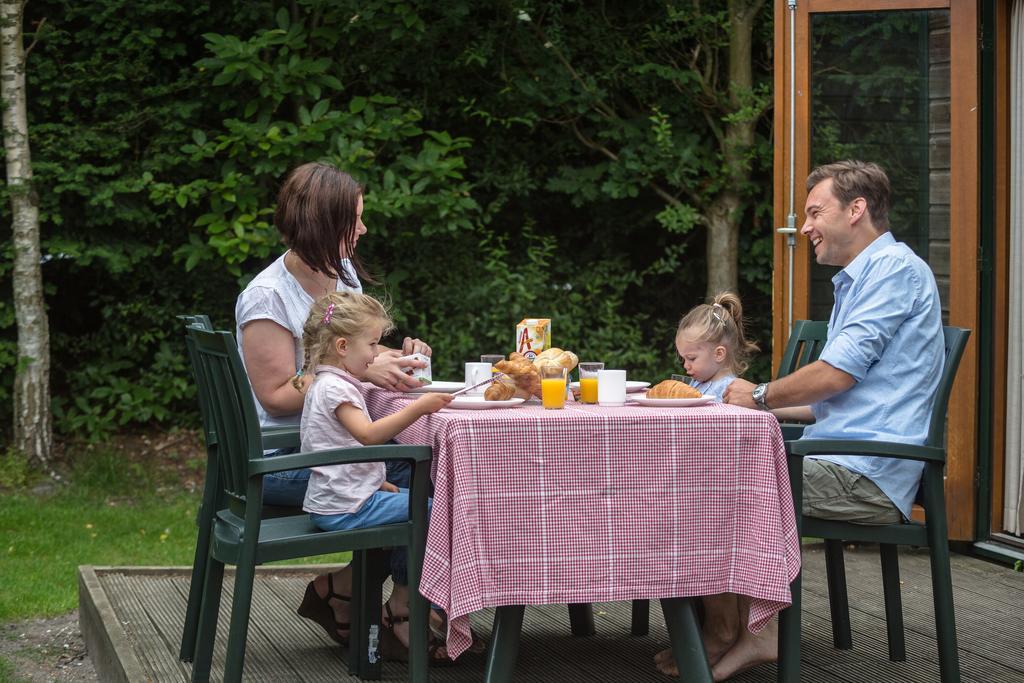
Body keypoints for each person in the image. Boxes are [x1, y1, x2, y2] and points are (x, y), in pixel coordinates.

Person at [655, 160, 944, 679]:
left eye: (815, 212)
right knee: (681, 470)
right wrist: (734, 402)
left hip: (865, 473)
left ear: (856, 210)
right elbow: (830, 404)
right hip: (834, 452)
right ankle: (732, 624)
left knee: (700, 481)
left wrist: (761, 394)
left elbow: (835, 376)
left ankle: (746, 631)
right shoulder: (856, 282)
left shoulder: (895, 271)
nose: (804, 226)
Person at [233, 162, 431, 650]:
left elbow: (350, 349)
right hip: (280, 458)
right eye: (354, 220)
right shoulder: (267, 298)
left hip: (329, 439)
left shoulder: (339, 277)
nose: (363, 229)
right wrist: (358, 371)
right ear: (323, 224)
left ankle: (344, 590)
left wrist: (394, 355)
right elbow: (277, 398)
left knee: (423, 467)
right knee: (416, 476)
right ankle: (401, 606)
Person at [293, 291, 455, 661]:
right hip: (343, 507)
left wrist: (372, 479)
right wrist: (421, 407)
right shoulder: (336, 388)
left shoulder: (330, 381)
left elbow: (337, 448)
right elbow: (368, 435)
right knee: (432, 510)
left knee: (413, 497)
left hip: (341, 497)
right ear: (342, 345)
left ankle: (405, 604)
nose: (377, 353)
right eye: (373, 344)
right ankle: (405, 606)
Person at [674, 292, 759, 402]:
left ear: (719, 354)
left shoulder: (731, 391)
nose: (685, 365)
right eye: (683, 359)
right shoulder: (695, 384)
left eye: (691, 358)